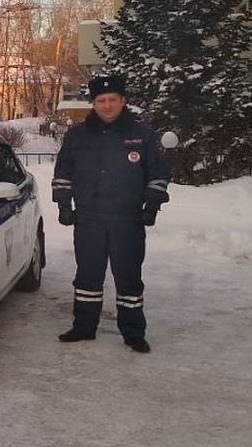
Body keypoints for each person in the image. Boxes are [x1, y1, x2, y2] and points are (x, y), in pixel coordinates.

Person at [52, 75, 171, 353]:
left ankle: (133, 333)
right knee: (87, 276)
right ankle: (84, 327)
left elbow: (158, 172)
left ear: (123, 101)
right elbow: (63, 172)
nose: (107, 106)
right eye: (101, 101)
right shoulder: (77, 135)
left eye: (112, 100)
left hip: (127, 221)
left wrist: (152, 205)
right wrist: (63, 205)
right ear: (93, 103)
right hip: (89, 220)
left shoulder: (142, 135)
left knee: (128, 276)